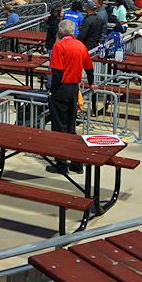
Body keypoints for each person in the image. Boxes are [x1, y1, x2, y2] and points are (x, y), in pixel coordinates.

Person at [47, 19, 92, 173]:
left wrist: (52, 91)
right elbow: (89, 68)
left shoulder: (59, 45)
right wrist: (92, 83)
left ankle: (61, 164)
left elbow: (57, 73)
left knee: (59, 128)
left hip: (62, 89)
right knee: (71, 127)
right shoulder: (81, 45)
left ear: (60, 31)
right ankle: (76, 163)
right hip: (74, 89)